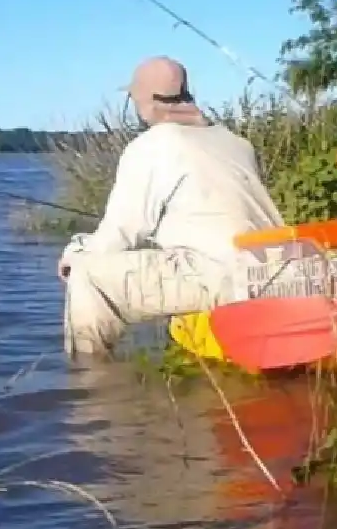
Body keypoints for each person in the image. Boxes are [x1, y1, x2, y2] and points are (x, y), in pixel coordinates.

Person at [59, 55, 285, 357]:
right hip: (275, 270)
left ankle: (90, 380)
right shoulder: (236, 142)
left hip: (225, 278)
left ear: (148, 103)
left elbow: (120, 234)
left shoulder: (153, 144)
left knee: (88, 275)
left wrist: (75, 257)